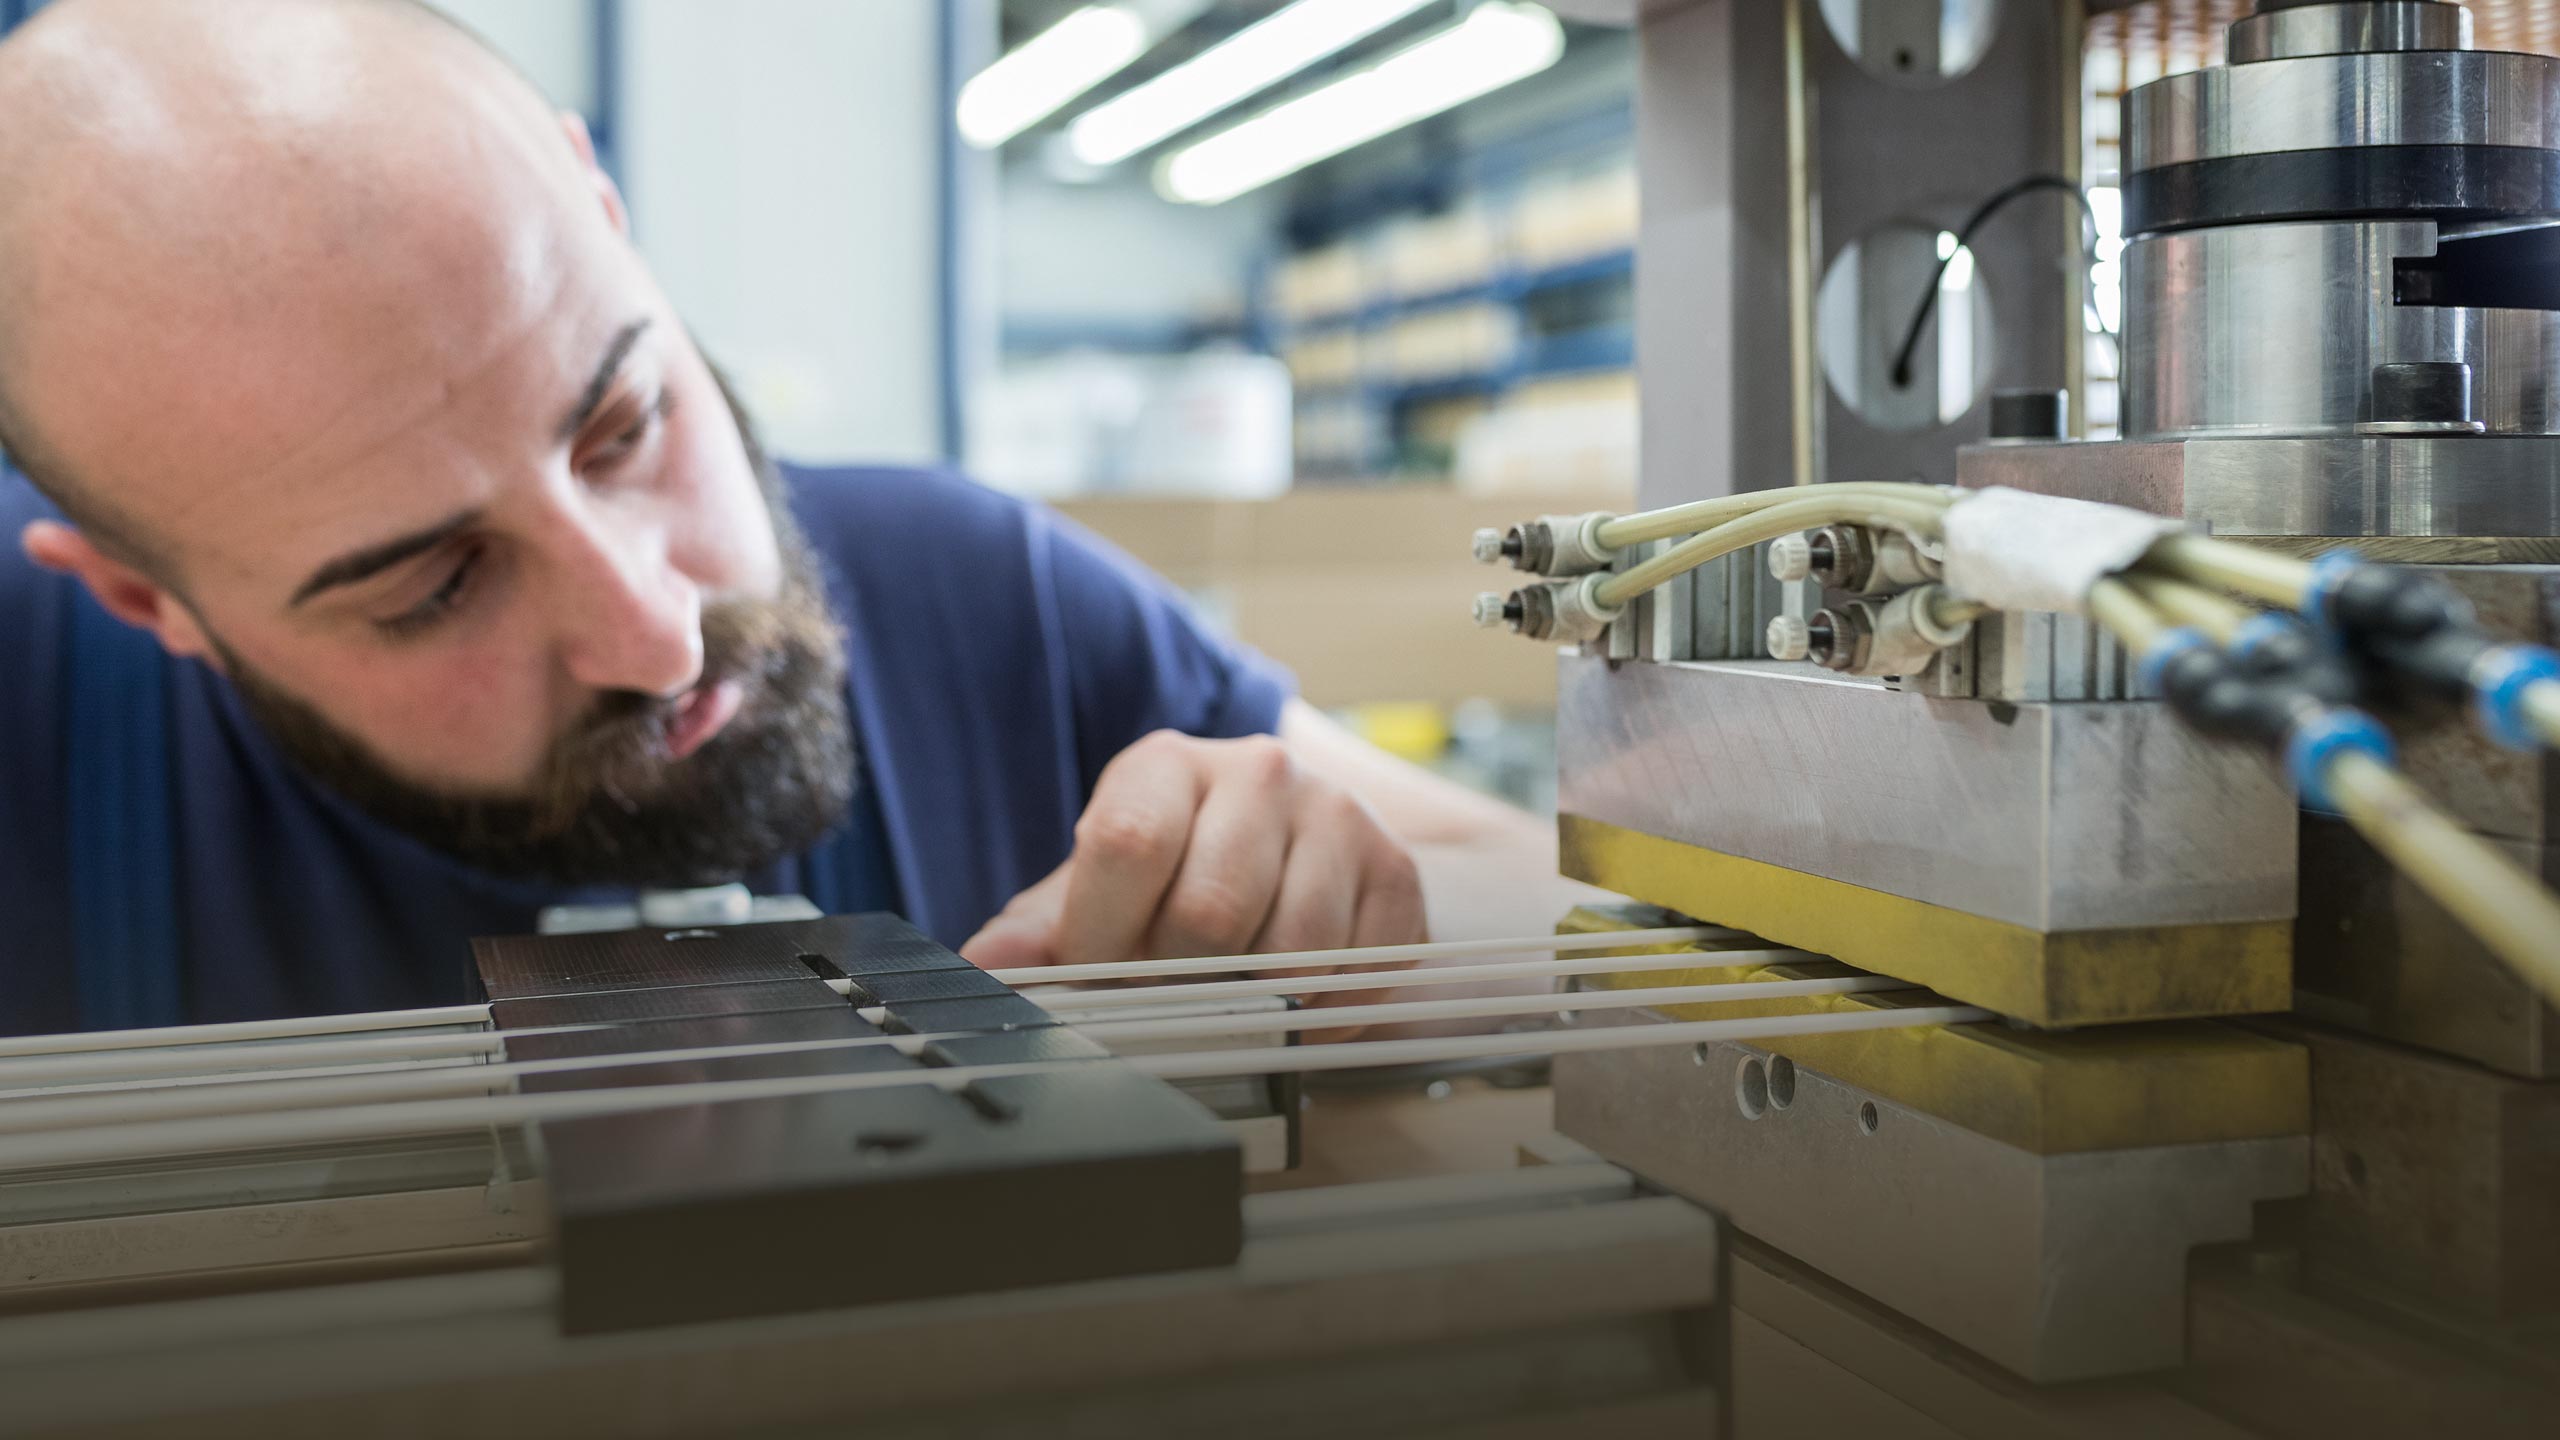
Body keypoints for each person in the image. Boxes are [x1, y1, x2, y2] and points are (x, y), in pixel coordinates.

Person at [0, 0, 1579, 1034]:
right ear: (153, 604)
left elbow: (1571, 908)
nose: (659, 626)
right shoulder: (43, 765)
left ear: (603, 217)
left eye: (624, 422)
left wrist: (1358, 913)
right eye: (432, 587)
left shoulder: (974, 594)